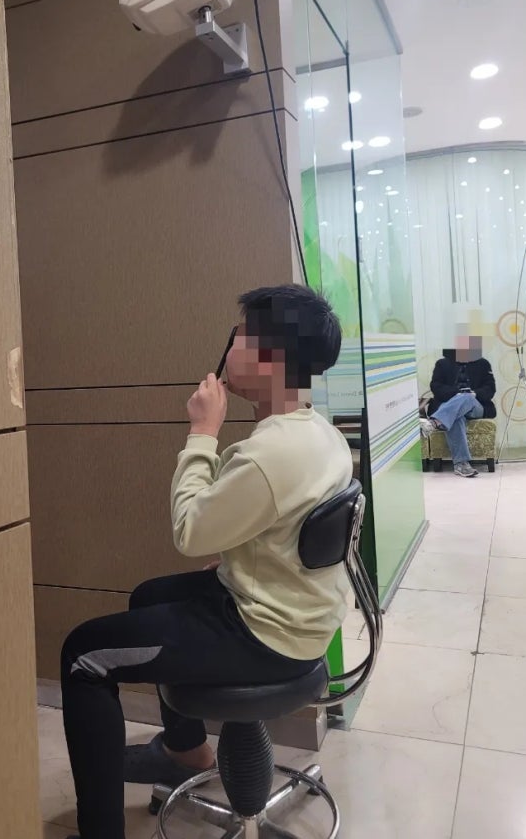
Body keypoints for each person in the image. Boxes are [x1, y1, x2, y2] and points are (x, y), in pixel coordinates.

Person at [60, 284, 351, 839]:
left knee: (83, 654)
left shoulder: (268, 454)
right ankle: (186, 752)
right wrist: (238, 562)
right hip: (302, 617)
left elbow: (190, 532)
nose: (229, 347)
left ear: (268, 357)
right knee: (149, 596)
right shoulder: (319, 434)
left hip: (265, 636)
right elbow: (286, 530)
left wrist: (202, 433)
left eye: (237, 337)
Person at [420, 335, 496, 478]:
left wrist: (474, 394)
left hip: (476, 405)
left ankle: (434, 422)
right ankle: (461, 465)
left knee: (467, 397)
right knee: (456, 417)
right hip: (451, 406)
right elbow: (436, 386)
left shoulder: (483, 364)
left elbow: (490, 389)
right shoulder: (442, 364)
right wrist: (456, 394)